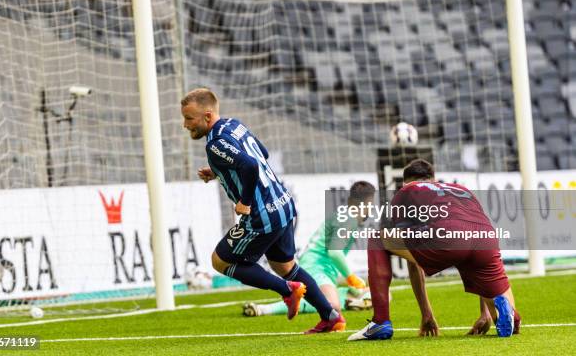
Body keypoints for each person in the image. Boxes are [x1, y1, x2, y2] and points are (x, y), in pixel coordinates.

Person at [181, 88, 345, 334]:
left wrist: (245, 201)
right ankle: (331, 316)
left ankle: (287, 290)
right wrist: (219, 170)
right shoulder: (233, 125)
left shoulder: (215, 142)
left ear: (206, 116)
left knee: (221, 260)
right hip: (283, 203)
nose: (185, 124)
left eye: (189, 118)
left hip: (262, 214)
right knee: (286, 266)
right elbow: (261, 154)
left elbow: (249, 165)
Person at [349, 159, 521, 341]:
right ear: (434, 178)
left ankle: (380, 322)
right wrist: (485, 314)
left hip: (447, 236)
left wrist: (426, 313)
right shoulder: (460, 189)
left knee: (378, 240)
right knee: (506, 314)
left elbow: (412, 259)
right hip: (485, 238)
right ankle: (510, 316)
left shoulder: (407, 190)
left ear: (405, 182)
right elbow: (473, 230)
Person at [243, 181, 376, 317]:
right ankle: (266, 309)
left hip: (320, 267)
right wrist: (351, 277)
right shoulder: (350, 219)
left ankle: (345, 300)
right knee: (333, 307)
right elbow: (335, 253)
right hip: (316, 268)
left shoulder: (345, 215)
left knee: (379, 295)